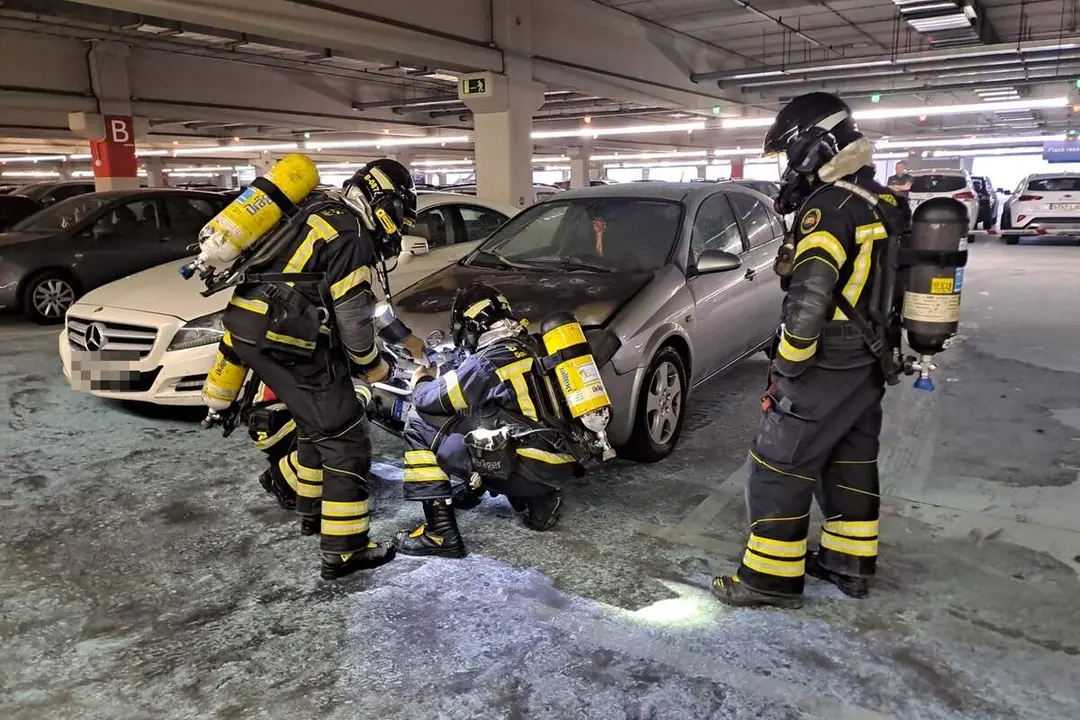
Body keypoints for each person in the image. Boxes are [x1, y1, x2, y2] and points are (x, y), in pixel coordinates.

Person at [711, 92, 911, 609]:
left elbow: (810, 298)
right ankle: (850, 564)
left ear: (813, 146)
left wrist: (787, 366)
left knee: (778, 461)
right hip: (870, 355)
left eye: (786, 152)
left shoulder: (827, 208)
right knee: (850, 455)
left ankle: (768, 579)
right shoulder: (881, 199)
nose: (785, 166)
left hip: (828, 357)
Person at [222, 158, 423, 580]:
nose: (400, 226)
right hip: (286, 340)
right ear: (383, 202)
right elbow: (353, 319)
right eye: (401, 213)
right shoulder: (352, 236)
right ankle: (345, 550)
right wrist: (374, 367)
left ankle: (311, 509)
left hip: (250, 329)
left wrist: (404, 337)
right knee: (346, 437)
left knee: (318, 427)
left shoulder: (321, 211)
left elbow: (364, 304)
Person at [392, 283, 571, 558]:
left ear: (471, 327)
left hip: (526, 467)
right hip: (559, 463)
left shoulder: (489, 361)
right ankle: (541, 501)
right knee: (491, 419)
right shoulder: (532, 343)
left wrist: (422, 379)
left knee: (419, 420)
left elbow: (430, 400)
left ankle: (440, 533)